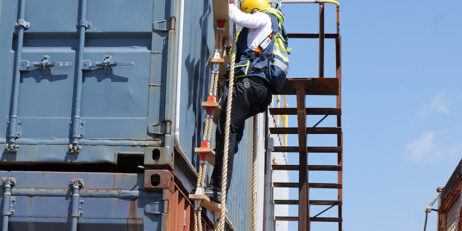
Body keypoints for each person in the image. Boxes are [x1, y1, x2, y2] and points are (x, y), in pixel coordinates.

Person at [205, 0, 288, 202]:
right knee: (232, 133)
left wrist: (229, 4)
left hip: (249, 86)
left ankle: (217, 188)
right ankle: (220, 180)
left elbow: (238, 17)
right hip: (260, 92)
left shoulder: (263, 17)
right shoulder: (273, 28)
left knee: (227, 131)